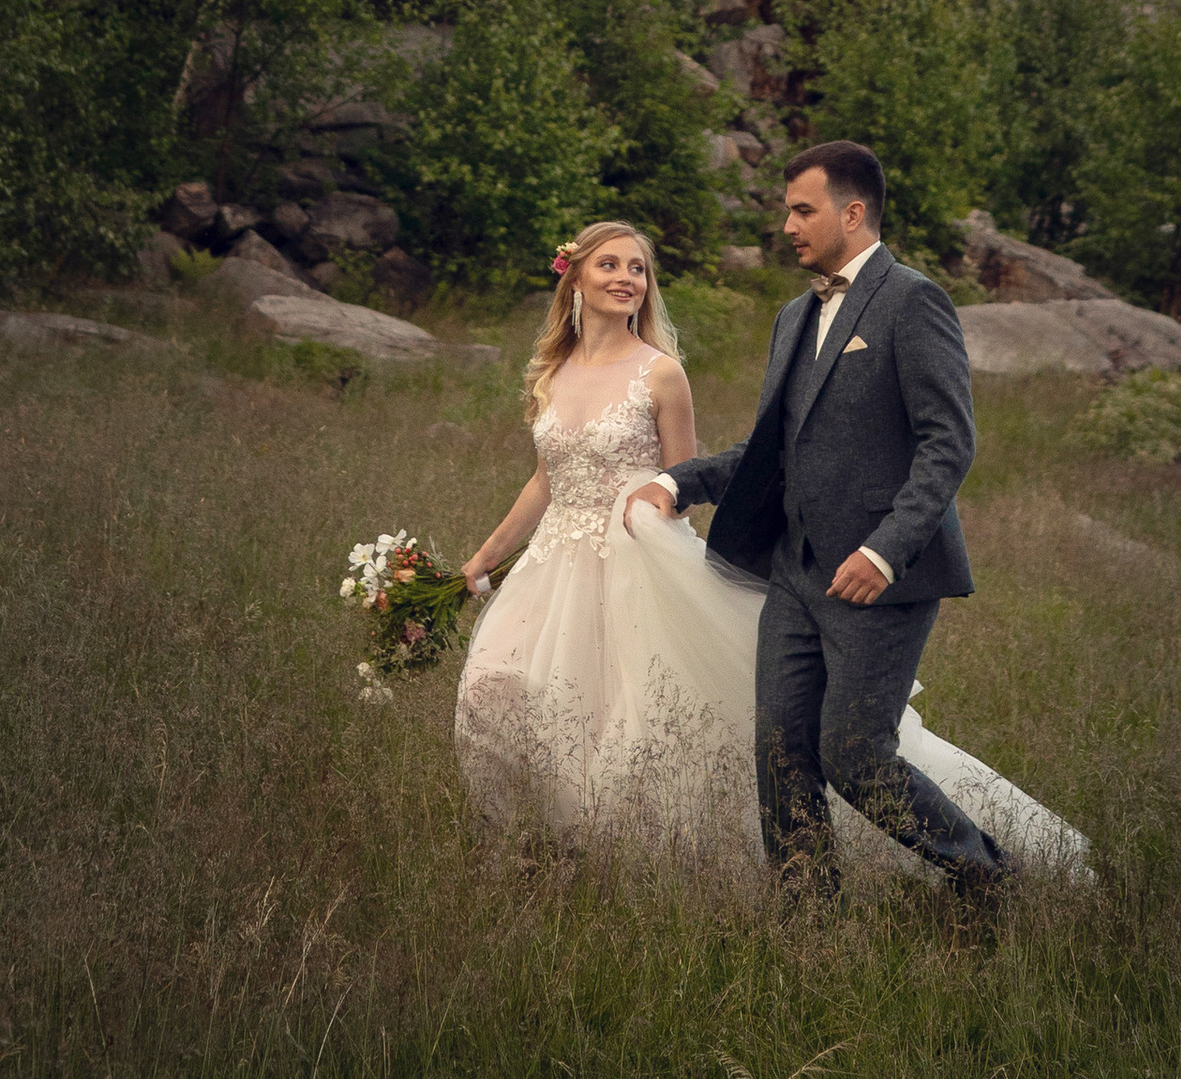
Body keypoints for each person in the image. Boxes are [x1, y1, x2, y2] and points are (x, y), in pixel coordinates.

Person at [451, 177, 1086, 895]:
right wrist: (680, 483)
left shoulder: (912, 299)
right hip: (791, 568)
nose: (786, 225)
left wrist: (884, 550)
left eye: (802, 210)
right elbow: (771, 449)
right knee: (780, 755)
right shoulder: (793, 316)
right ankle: (806, 906)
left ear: (852, 212)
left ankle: (987, 878)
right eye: (787, 210)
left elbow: (949, 442)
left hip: (878, 569)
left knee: (854, 755)